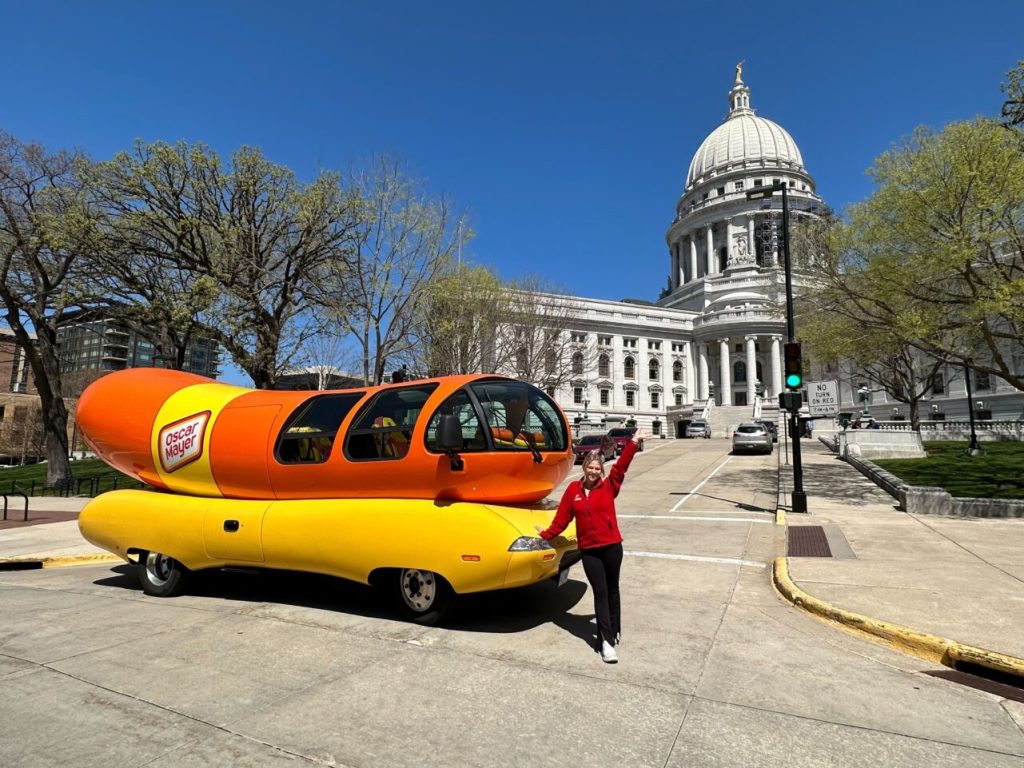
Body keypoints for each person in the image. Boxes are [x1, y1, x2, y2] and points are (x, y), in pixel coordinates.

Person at [537, 429, 647, 664]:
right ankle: (606, 641)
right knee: (600, 592)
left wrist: (633, 443)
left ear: (601, 471)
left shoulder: (609, 487)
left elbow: (621, 467)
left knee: (613, 589)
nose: (594, 471)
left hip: (612, 547)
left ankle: (615, 628)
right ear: (584, 467)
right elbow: (561, 520)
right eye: (591, 467)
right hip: (589, 550)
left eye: (598, 469)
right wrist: (546, 535)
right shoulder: (573, 491)